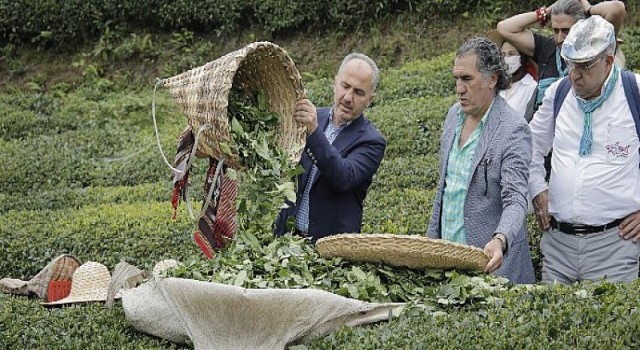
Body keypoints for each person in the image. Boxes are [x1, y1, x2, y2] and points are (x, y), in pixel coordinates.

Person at [529, 15, 640, 284]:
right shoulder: (559, 92)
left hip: (615, 245)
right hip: (558, 244)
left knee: (609, 324)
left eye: (584, 66)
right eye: (570, 64)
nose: (574, 75)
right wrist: (536, 187)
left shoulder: (634, 90)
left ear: (608, 61)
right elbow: (528, 147)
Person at [427, 37, 535, 284]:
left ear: (493, 79)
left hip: (491, 266)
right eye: (456, 78)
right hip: (447, 262)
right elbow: (444, 189)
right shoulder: (453, 116)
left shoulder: (513, 129)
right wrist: (430, 245)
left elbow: (516, 199)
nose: (459, 88)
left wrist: (500, 239)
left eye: (467, 79)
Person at [273, 53, 386, 242]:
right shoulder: (314, 117)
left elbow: (343, 177)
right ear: (335, 83)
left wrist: (314, 131)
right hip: (288, 241)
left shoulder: (372, 141)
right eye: (345, 86)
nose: (348, 97)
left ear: (370, 99)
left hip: (331, 250)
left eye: (359, 92)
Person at [497, 0, 626, 119]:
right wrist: (547, 12)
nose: (560, 38)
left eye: (566, 31)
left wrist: (587, 10)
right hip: (545, 132)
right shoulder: (547, 48)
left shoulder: (595, 47)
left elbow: (616, 9)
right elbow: (504, 28)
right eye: (555, 30)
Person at [487, 30, 539, 122]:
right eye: (503, 55)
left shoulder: (531, 87)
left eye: (511, 54)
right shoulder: (496, 87)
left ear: (522, 57)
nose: (507, 59)